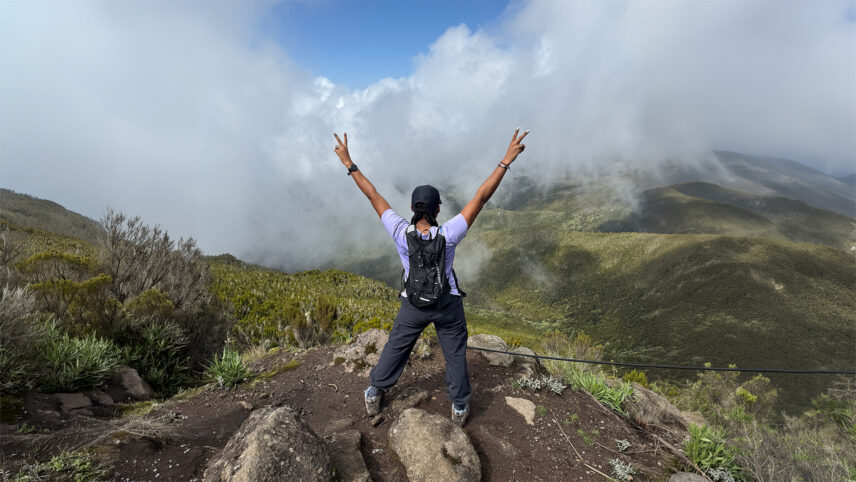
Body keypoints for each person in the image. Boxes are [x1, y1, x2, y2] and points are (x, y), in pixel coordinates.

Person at [333, 128, 529, 426]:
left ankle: (375, 391)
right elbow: (482, 196)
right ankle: (460, 406)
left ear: (412, 209)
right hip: (447, 304)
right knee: (454, 352)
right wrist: (505, 161)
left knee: (397, 346)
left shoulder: (400, 231)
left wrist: (349, 164)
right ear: (438, 209)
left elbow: (373, 195)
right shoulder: (449, 235)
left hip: (413, 304)